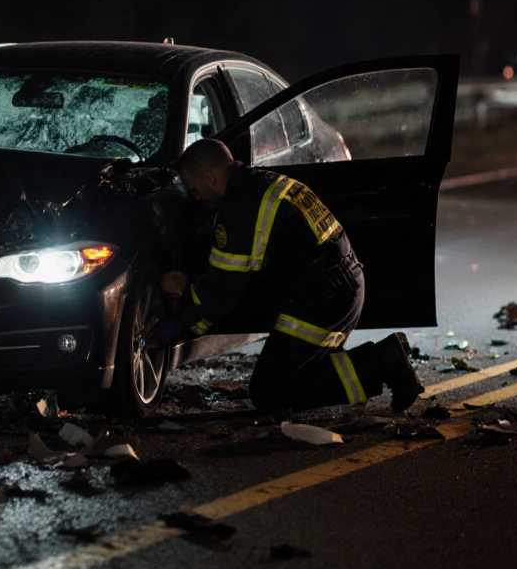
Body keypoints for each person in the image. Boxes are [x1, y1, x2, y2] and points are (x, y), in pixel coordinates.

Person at [153, 139, 424, 412]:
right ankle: (383, 360)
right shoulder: (258, 183)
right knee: (297, 370)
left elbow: (224, 290)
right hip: (337, 286)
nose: (195, 196)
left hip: (325, 300)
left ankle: (384, 362)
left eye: (194, 188)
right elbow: (231, 264)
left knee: (270, 391)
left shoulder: (242, 207)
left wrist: (181, 321)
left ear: (210, 178)